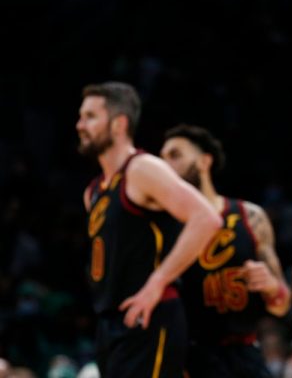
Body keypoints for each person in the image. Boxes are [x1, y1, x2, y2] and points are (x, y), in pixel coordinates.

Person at [76, 82, 222, 377]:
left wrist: (157, 282)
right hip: (112, 321)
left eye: (90, 116)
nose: (80, 125)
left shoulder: (142, 168)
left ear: (119, 124)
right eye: (81, 116)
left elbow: (206, 218)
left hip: (150, 314)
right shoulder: (93, 191)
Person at [160, 123, 292, 378]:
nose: (164, 166)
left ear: (204, 162)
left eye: (175, 155)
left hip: (244, 355)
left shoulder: (249, 216)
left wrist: (271, 287)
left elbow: (282, 306)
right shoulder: (161, 227)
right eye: (162, 159)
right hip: (187, 358)